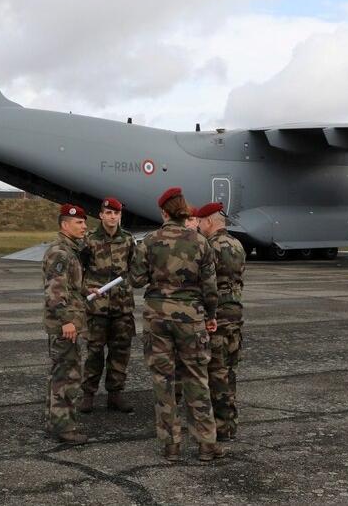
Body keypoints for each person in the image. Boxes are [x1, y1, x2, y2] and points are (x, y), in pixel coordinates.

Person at [124, 187, 226, 462]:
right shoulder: (200, 242)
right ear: (185, 211)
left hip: (157, 318)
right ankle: (206, 444)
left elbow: (136, 280)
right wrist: (211, 315)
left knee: (163, 380)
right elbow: (210, 288)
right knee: (196, 378)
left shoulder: (149, 241)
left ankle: (171, 444)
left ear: (163, 212)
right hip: (191, 317)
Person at [80, 197, 137, 414]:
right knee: (94, 352)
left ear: (120, 216)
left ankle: (115, 394)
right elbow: (79, 270)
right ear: (101, 215)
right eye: (108, 213)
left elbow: (135, 268)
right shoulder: (89, 240)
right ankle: (88, 394)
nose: (112, 217)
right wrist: (86, 289)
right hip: (97, 308)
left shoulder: (129, 240)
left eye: (116, 214)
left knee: (120, 352)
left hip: (122, 308)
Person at [196, 201, 247, 441]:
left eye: (201, 222)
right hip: (236, 314)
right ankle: (230, 424)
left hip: (218, 317)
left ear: (209, 221)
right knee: (230, 370)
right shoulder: (238, 245)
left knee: (216, 371)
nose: (199, 226)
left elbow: (206, 285)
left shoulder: (209, 247)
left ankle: (220, 426)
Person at [42, 203, 90, 444]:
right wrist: (67, 321)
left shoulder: (69, 250)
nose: (84, 226)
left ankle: (56, 422)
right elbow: (55, 291)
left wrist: (86, 290)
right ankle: (64, 428)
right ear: (65, 225)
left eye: (84, 222)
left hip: (67, 320)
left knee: (61, 372)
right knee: (67, 375)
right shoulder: (60, 252)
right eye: (79, 223)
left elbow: (69, 287)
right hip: (65, 324)